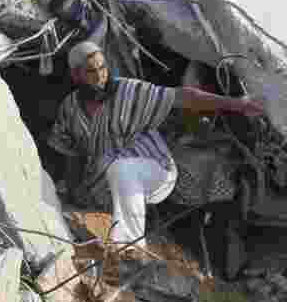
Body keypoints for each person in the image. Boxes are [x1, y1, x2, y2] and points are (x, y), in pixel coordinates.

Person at [49, 41, 264, 256]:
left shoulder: (128, 91)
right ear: (76, 75)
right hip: (104, 184)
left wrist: (239, 104)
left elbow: (184, 97)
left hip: (157, 173)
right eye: (91, 71)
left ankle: (131, 247)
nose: (100, 76)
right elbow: (71, 155)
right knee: (102, 174)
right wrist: (73, 191)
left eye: (103, 68)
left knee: (120, 167)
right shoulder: (69, 109)